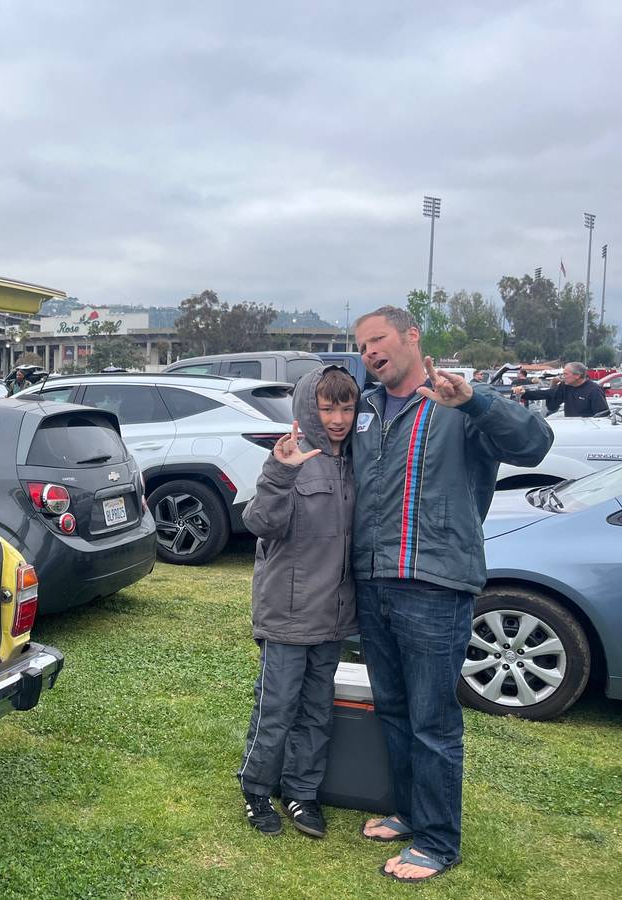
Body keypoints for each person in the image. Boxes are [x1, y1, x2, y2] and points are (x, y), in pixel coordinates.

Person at [351, 306, 552, 882]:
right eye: (362, 344)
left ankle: (438, 842)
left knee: (433, 719)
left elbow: (535, 444)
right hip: (373, 582)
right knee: (392, 707)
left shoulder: (458, 403)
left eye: (379, 339)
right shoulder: (367, 409)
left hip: (436, 586)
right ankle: (409, 811)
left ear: (412, 337)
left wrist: (476, 402)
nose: (369, 351)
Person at [236, 366, 360, 839]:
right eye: (327, 407)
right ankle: (255, 789)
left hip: (333, 617)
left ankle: (301, 793)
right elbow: (260, 522)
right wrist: (279, 471)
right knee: (276, 708)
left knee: (316, 711)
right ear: (310, 406)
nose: (337, 418)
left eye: (346, 407)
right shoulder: (291, 458)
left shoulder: (355, 460)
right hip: (287, 616)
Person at [511, 361, 608, 417]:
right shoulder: (565, 386)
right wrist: (524, 393)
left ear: (577, 375)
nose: (563, 376)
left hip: (587, 432)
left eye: (565, 374)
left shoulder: (594, 390)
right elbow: (548, 395)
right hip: (569, 427)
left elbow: (602, 416)